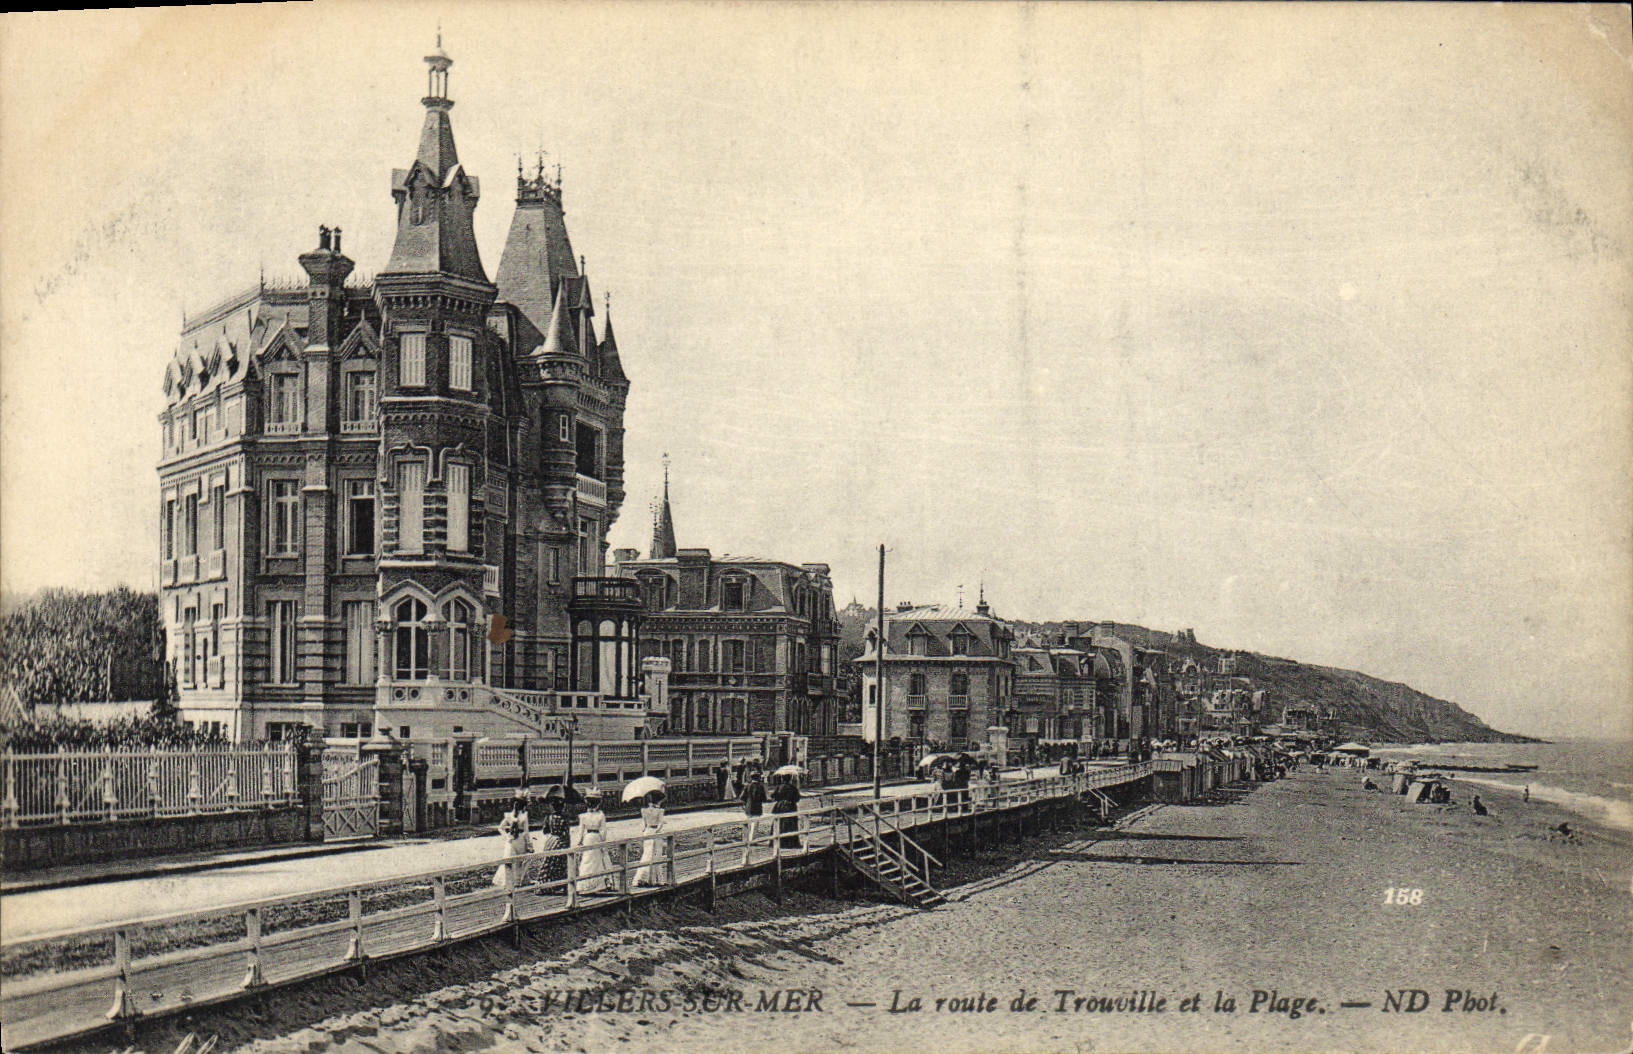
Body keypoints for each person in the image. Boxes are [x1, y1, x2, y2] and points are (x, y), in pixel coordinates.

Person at [492, 790, 531, 888]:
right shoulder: (511, 816)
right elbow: (501, 827)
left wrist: (529, 844)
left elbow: (526, 832)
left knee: (516, 860)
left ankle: (515, 881)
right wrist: (507, 836)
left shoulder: (520, 816)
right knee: (512, 860)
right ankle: (512, 881)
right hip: (515, 840)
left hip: (517, 840)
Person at [574, 789, 609, 893]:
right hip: (597, 837)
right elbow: (603, 831)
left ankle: (585, 884)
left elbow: (580, 832)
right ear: (598, 803)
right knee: (597, 860)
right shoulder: (601, 815)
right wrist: (603, 842)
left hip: (588, 838)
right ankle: (597, 884)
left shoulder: (583, 816)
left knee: (586, 860)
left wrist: (579, 842)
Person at [537, 787, 571, 889]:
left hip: (551, 841)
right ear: (562, 807)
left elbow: (545, 830)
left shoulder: (549, 817)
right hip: (561, 841)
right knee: (561, 863)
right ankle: (561, 884)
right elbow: (566, 832)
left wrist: (551, 837)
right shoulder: (564, 818)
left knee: (548, 862)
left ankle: (546, 884)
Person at [632, 790, 666, 887]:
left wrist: (645, 831)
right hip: (655, 832)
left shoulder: (644, 810)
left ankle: (642, 877)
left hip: (647, 832)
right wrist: (657, 831)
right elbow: (660, 824)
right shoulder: (660, 811)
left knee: (647, 854)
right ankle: (656, 880)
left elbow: (644, 824)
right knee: (656, 855)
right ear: (658, 801)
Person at [741, 769, 768, 863]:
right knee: (754, 825)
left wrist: (745, 804)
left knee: (749, 824)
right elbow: (764, 799)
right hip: (757, 808)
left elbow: (742, 797)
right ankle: (753, 840)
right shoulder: (760, 787)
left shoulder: (747, 786)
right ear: (758, 778)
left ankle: (747, 839)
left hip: (748, 808)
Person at [772, 774, 803, 849]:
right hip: (790, 806)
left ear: (782, 779)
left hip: (780, 807)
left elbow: (773, 796)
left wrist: (780, 798)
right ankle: (790, 842)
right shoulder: (793, 787)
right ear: (790, 779)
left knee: (779, 823)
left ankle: (779, 841)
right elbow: (797, 799)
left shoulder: (779, 787)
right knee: (791, 824)